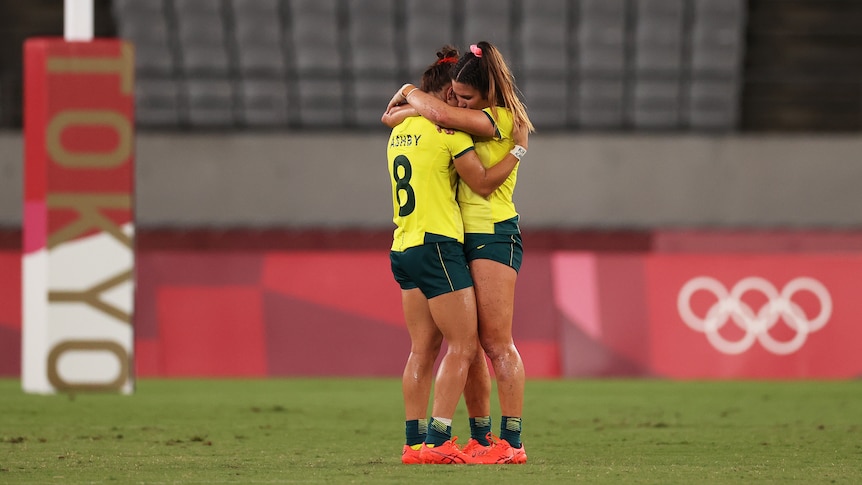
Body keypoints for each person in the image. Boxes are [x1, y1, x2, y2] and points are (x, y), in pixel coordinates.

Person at [386, 41, 534, 464]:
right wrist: (415, 105)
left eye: (467, 95)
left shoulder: (499, 118)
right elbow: (416, 116)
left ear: (486, 90)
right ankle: (483, 439)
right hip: (460, 237)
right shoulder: (467, 120)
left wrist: (411, 93)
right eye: (456, 94)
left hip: (492, 231)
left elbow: (441, 120)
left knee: (494, 343)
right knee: (465, 344)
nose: (461, 100)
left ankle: (512, 442)